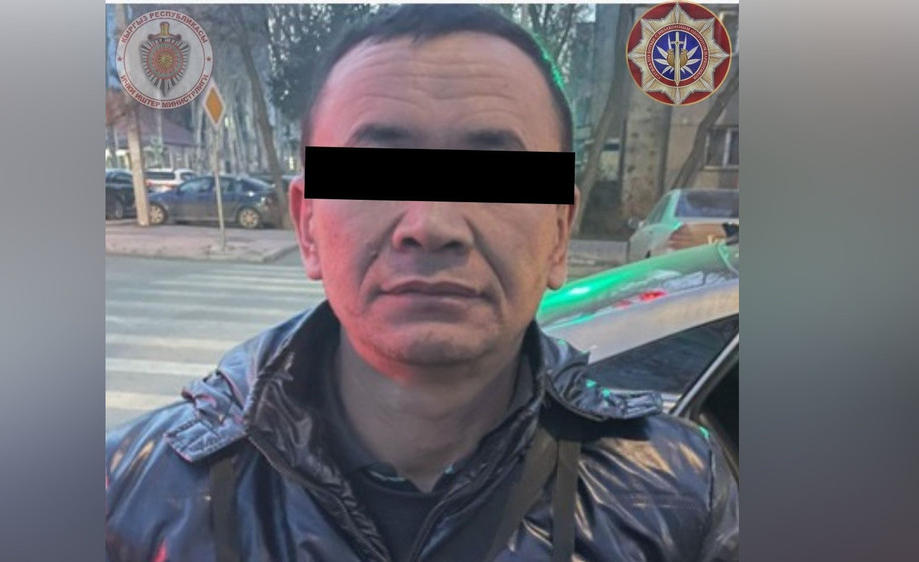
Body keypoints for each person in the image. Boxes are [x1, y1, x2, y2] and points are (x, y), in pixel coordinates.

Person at [105, 5, 738, 562]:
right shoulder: (131, 497)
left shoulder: (678, 497)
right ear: (308, 224)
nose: (431, 226)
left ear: (558, 231)